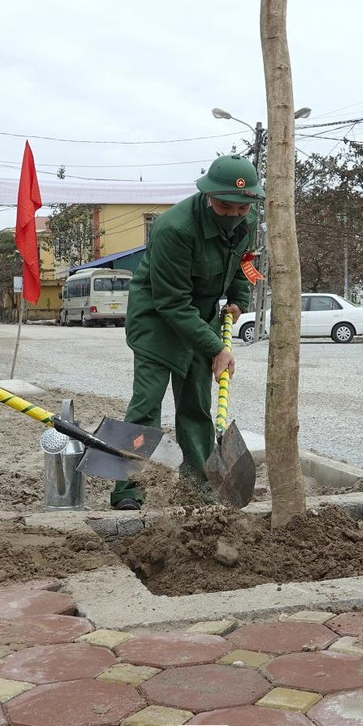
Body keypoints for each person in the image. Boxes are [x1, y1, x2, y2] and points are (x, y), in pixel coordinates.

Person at [114, 156, 260, 509]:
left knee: (197, 406)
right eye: (224, 206)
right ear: (208, 195)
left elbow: (245, 262)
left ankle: (199, 486)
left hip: (201, 318)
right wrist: (216, 348)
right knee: (146, 406)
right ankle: (128, 489)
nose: (232, 214)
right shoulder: (174, 229)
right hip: (156, 321)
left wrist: (239, 299)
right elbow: (172, 303)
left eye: (241, 207)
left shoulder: (247, 219)